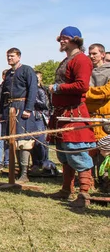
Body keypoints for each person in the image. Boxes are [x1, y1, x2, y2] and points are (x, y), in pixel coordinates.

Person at [47, 26, 95, 206]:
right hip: (62, 114)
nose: (61, 41)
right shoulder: (67, 60)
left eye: (65, 38)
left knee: (77, 153)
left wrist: (58, 88)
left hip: (74, 112)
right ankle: (66, 189)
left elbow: (82, 86)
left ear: (75, 39)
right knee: (64, 155)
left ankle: (84, 195)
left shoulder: (82, 60)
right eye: (60, 38)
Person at [0, 48, 39, 183]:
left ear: (19, 57)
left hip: (22, 108)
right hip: (9, 109)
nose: (9, 58)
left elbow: (33, 90)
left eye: (12, 56)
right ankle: (16, 170)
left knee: (24, 141)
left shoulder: (27, 70)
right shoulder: (9, 74)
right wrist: (0, 112)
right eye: (8, 56)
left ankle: (24, 173)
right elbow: (3, 95)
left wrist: (28, 109)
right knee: (13, 141)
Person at [85, 43, 110, 189]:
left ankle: (105, 179)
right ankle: (90, 179)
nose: (92, 56)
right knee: (90, 149)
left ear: (102, 54)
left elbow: (107, 91)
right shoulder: (87, 71)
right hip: (90, 116)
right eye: (90, 53)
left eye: (94, 53)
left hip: (105, 116)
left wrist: (87, 93)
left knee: (105, 149)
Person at [32, 71, 51, 173]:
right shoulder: (30, 90)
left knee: (41, 142)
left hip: (39, 117)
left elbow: (45, 105)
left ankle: (44, 162)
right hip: (31, 118)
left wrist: (33, 98)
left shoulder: (41, 91)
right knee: (32, 142)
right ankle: (35, 163)